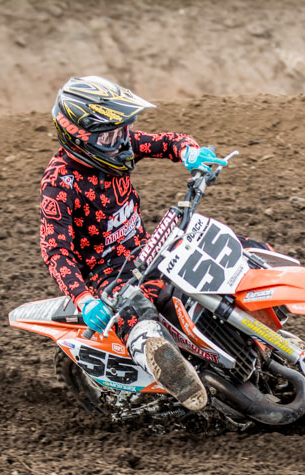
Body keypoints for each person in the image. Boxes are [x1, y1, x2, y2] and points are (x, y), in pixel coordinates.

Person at [39, 75, 229, 411]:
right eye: (110, 135)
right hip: (106, 273)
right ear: (79, 138)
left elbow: (166, 141)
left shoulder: (117, 144)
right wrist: (84, 299)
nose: (122, 141)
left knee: (219, 250)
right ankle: (169, 369)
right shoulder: (60, 184)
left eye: (123, 129)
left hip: (146, 248)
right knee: (136, 313)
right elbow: (56, 251)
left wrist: (189, 152)